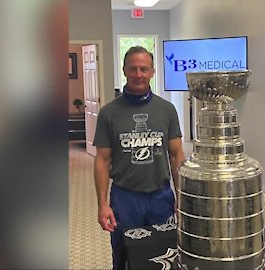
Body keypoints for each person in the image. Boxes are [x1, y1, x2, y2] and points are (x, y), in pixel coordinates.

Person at [93, 46, 185, 270]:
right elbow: (102, 160)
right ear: (124, 70)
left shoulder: (167, 110)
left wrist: (182, 197)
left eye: (144, 69)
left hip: (160, 196)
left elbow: (177, 156)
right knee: (125, 254)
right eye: (133, 69)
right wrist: (102, 204)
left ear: (152, 72)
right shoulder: (109, 113)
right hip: (125, 198)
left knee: (163, 252)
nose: (138, 74)